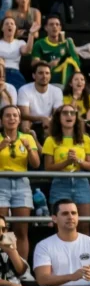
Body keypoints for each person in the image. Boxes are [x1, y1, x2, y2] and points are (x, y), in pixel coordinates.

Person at [43, 103, 90, 223]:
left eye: (72, 113)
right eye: (65, 113)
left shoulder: (85, 139)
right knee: (60, 224)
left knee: (84, 224)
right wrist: (66, 162)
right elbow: (48, 167)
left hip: (81, 181)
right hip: (60, 183)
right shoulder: (50, 140)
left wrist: (78, 161)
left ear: (76, 117)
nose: (69, 115)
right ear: (59, 118)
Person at [0, 105, 38, 256]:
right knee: (3, 229)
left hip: (22, 184)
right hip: (1, 182)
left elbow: (36, 164)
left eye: (15, 116)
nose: (12, 119)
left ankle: (21, 269)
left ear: (19, 119)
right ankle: (5, 267)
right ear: (1, 120)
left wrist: (29, 149)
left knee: (21, 230)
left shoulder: (27, 137)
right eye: (8, 116)